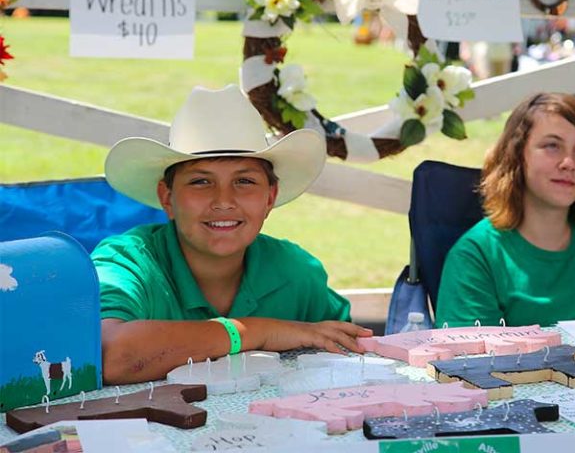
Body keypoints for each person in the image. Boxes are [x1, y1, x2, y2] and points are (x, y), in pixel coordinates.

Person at [92, 84, 372, 384]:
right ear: (167, 197)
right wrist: (256, 332)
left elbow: (351, 364)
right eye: (200, 181)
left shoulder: (297, 273)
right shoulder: (126, 262)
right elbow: (112, 355)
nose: (223, 201)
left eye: (245, 181)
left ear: (270, 197)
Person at [435, 92, 575, 328]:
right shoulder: (477, 257)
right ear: (516, 156)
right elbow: (469, 360)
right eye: (552, 146)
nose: (569, 162)